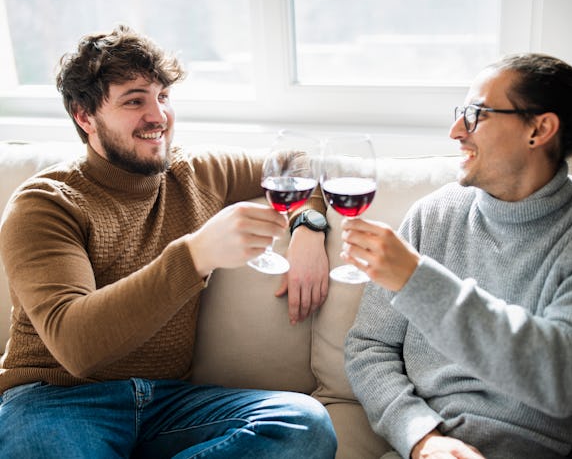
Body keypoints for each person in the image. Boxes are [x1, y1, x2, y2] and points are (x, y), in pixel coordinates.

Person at [0, 25, 336, 458]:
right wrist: (197, 254)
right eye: (134, 100)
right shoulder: (46, 204)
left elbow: (295, 160)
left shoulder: (196, 172)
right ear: (85, 116)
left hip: (167, 403)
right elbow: (76, 347)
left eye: (162, 96)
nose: (158, 116)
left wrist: (307, 226)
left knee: (303, 424)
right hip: (54, 402)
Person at [342, 53, 572, 459]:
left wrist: (417, 280)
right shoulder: (433, 215)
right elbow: (369, 345)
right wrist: (421, 439)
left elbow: (562, 380)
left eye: (476, 115)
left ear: (539, 129)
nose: (456, 131)